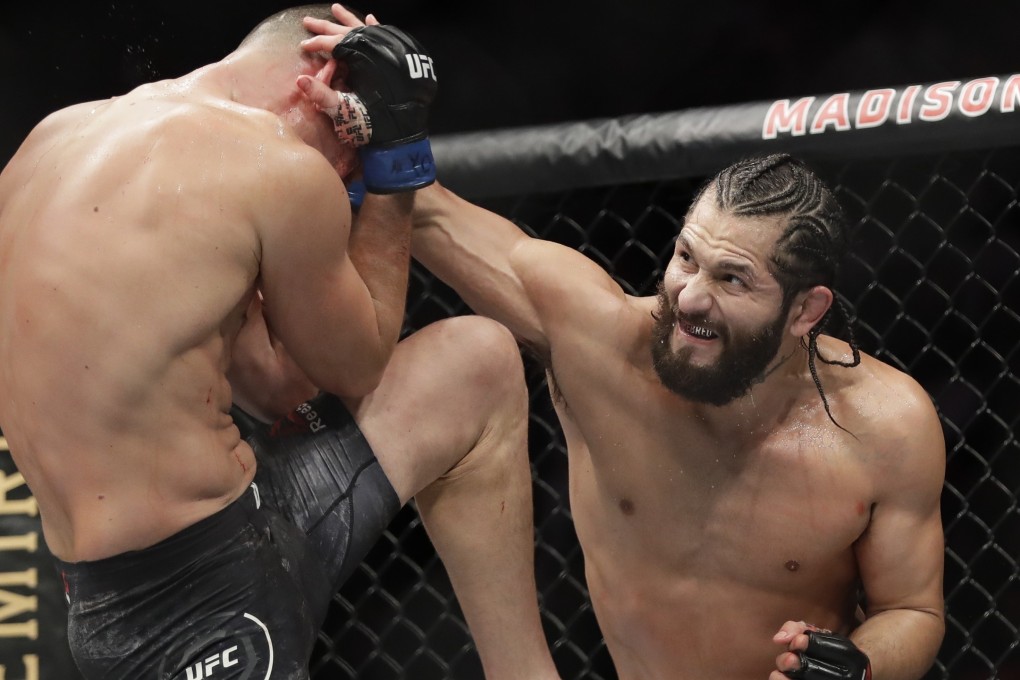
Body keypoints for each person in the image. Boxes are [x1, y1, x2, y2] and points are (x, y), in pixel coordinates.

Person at [300, 10, 947, 678]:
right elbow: (427, 208)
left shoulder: (886, 428)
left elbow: (915, 612)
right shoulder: (600, 344)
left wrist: (863, 664)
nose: (693, 295)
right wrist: (372, 112)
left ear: (805, 311)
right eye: (687, 259)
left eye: (734, 280)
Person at [0, 5, 560, 679]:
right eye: (355, 146)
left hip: (193, 545)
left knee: (477, 365)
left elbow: (279, 387)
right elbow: (358, 365)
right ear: (323, 81)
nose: (347, 177)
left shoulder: (53, 139)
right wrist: (393, 167)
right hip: (196, 611)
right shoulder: (274, 168)